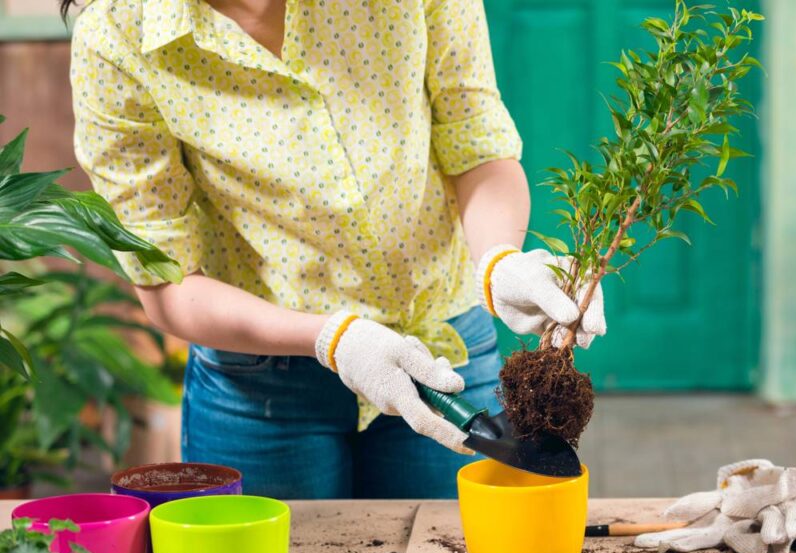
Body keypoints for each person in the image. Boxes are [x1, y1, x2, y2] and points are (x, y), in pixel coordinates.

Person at [67, 0, 606, 499]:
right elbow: (168, 283)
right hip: (262, 393)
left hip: (446, 358)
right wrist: (333, 339)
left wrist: (498, 260)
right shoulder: (119, 35)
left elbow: (477, 145)